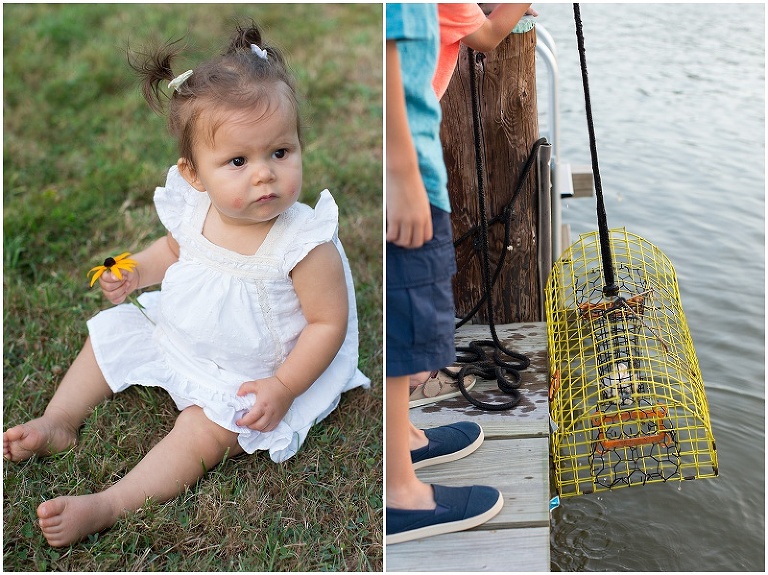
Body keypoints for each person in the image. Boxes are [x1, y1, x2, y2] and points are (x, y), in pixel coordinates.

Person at [3, 22, 369, 547]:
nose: (264, 174)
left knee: (201, 432)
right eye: (238, 161)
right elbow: (173, 251)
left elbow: (327, 324)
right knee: (110, 334)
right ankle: (58, 419)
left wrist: (283, 387)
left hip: (250, 375)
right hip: (183, 335)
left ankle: (109, 504)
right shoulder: (197, 209)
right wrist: (135, 270)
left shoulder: (303, 243)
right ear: (195, 174)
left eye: (280, 153)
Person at [386, 3, 502, 545]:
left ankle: (404, 440)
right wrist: (401, 173)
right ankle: (398, 494)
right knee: (404, 335)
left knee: (410, 323)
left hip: (414, 169)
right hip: (406, 177)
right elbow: (386, 49)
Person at [408, 2, 536, 408]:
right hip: (410, 148)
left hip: (404, 140)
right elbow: (489, 35)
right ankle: (418, 376)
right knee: (424, 260)